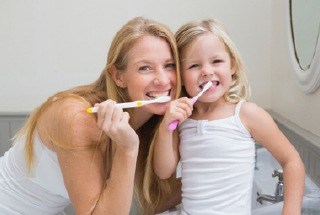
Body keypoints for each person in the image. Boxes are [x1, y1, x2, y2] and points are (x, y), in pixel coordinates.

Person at [0, 17, 182, 215]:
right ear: (117, 76)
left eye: (170, 65)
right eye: (145, 67)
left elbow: (155, 202)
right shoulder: (77, 118)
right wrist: (128, 149)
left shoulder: (153, 122)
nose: (163, 80)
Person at [152, 19, 305, 215]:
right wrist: (166, 126)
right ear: (181, 74)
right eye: (194, 65)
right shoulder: (182, 120)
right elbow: (163, 171)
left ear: (232, 65)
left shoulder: (247, 114)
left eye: (216, 61)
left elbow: (292, 161)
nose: (207, 71)